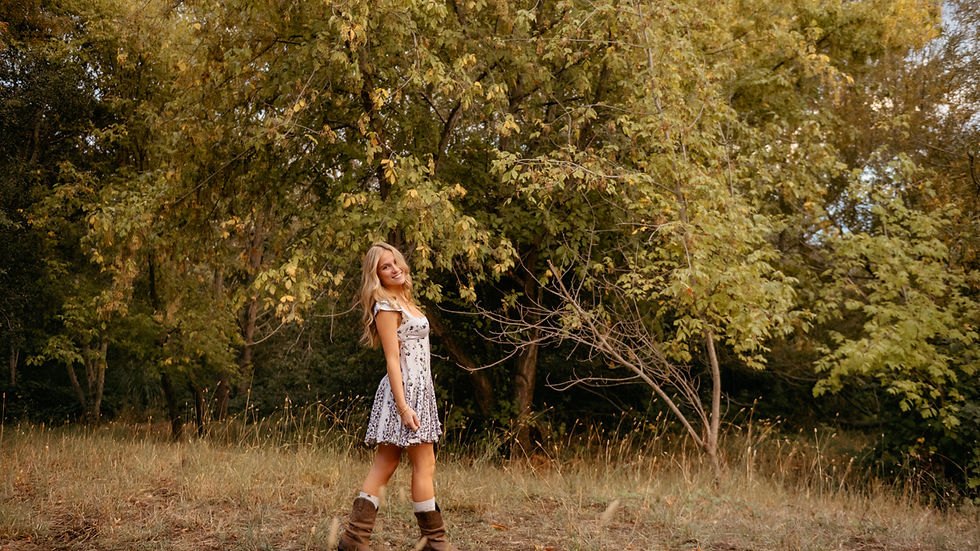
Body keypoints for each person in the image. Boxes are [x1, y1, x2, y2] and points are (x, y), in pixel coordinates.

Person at [338, 242, 457, 551]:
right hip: (404, 393)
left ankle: (353, 539)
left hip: (420, 389)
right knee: (421, 464)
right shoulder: (385, 305)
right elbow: (392, 359)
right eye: (385, 267)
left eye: (395, 263)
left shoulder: (404, 300)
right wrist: (404, 407)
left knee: (388, 463)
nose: (394, 269)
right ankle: (435, 542)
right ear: (376, 275)